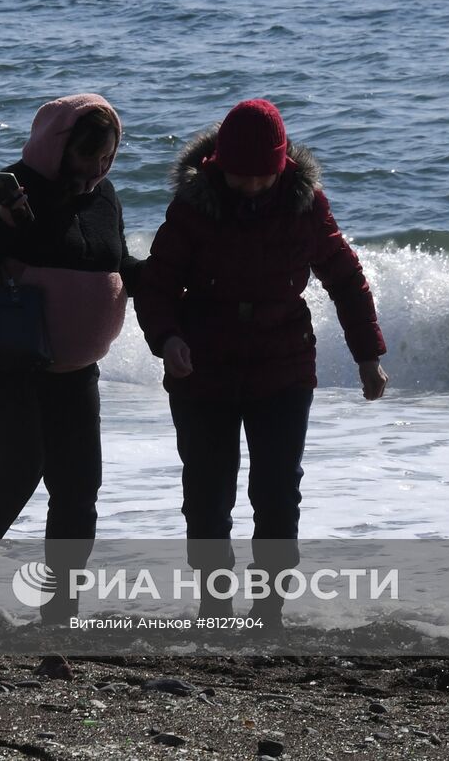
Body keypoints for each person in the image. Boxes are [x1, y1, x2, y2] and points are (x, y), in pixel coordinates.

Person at [134, 98, 387, 630]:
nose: (249, 186)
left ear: (281, 167)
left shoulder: (305, 203)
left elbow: (345, 277)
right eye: (238, 176)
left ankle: (269, 609)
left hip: (284, 363)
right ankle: (214, 605)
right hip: (204, 365)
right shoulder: (194, 204)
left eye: (260, 177)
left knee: (276, 491)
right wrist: (168, 338)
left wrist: (368, 356)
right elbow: (156, 284)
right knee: (207, 492)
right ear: (218, 164)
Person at [0, 93, 141, 627]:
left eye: (107, 158)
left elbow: (117, 263)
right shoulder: (16, 187)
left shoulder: (105, 196)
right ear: (58, 146)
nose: (96, 170)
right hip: (9, 361)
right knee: (19, 467)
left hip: (74, 370)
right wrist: (1, 222)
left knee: (79, 485)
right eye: (87, 157)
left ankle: (60, 606)